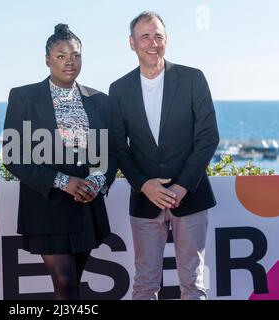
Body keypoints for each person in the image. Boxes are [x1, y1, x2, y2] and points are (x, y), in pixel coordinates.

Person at [109, 11, 219, 300]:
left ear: (167, 40)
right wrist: (145, 185)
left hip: (191, 197)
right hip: (146, 201)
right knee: (145, 283)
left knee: (193, 283)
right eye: (144, 36)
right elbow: (118, 147)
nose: (152, 42)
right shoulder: (118, 90)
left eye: (158, 36)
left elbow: (208, 137)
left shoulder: (192, 79)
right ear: (131, 42)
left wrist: (181, 186)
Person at [3, 24, 116, 300]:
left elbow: (112, 152)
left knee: (73, 285)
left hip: (86, 206)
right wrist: (64, 182)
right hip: (46, 206)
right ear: (47, 59)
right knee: (65, 283)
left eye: (76, 55)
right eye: (61, 55)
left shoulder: (99, 100)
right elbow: (12, 156)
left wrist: (97, 180)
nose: (70, 62)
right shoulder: (23, 97)